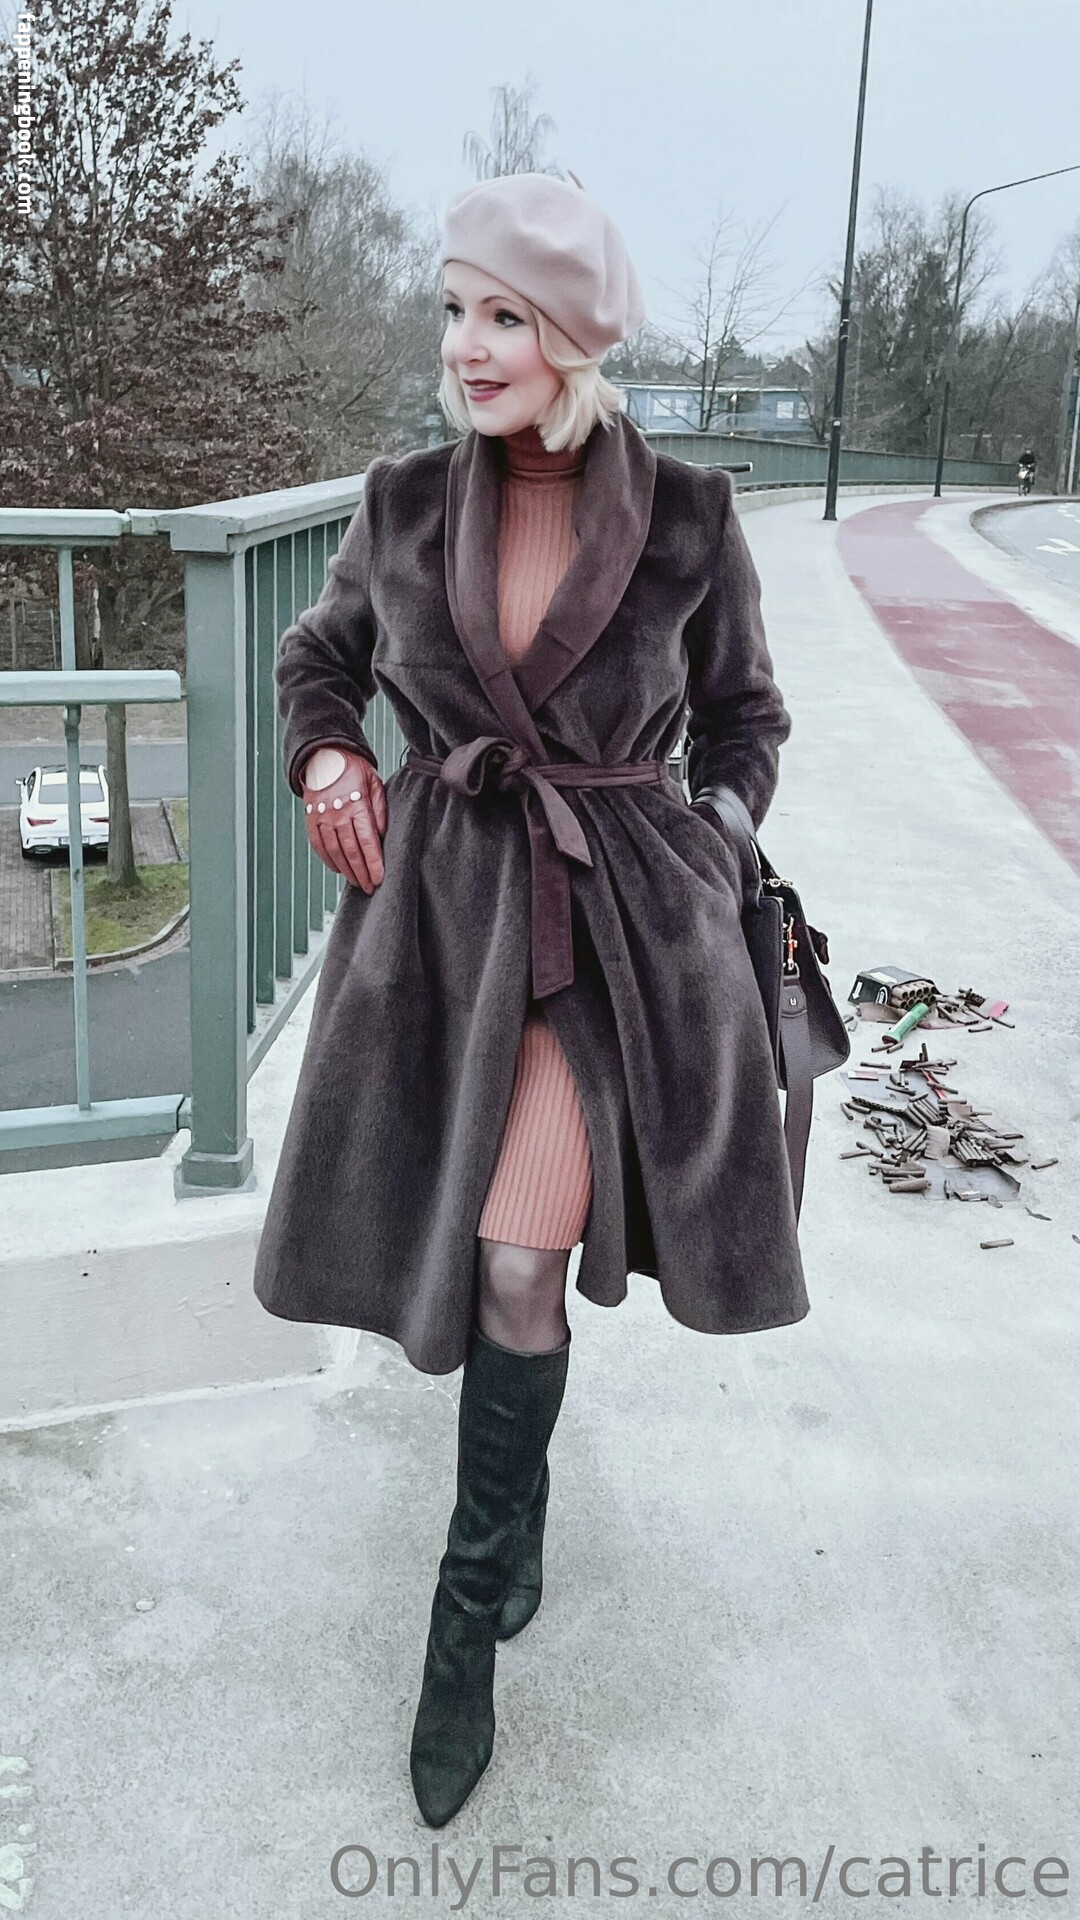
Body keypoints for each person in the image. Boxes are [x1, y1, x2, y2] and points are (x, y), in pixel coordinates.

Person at [252, 171, 809, 1828]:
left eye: (502, 314)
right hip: (441, 931)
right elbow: (317, 658)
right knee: (508, 1270)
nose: (466, 344)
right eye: (453, 309)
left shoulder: (689, 514)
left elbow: (747, 718)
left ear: (571, 333)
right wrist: (329, 754)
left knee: (517, 1255)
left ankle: (458, 1634)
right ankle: (521, 1510)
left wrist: (709, 842)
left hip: (612, 935)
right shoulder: (403, 501)